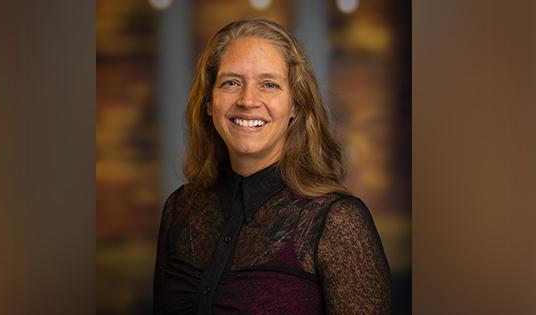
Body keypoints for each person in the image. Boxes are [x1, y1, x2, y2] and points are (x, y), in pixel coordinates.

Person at [153, 19, 391, 314]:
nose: (248, 100)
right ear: (209, 102)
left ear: (295, 106)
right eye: (231, 82)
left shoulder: (337, 222)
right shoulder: (180, 209)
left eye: (269, 85)